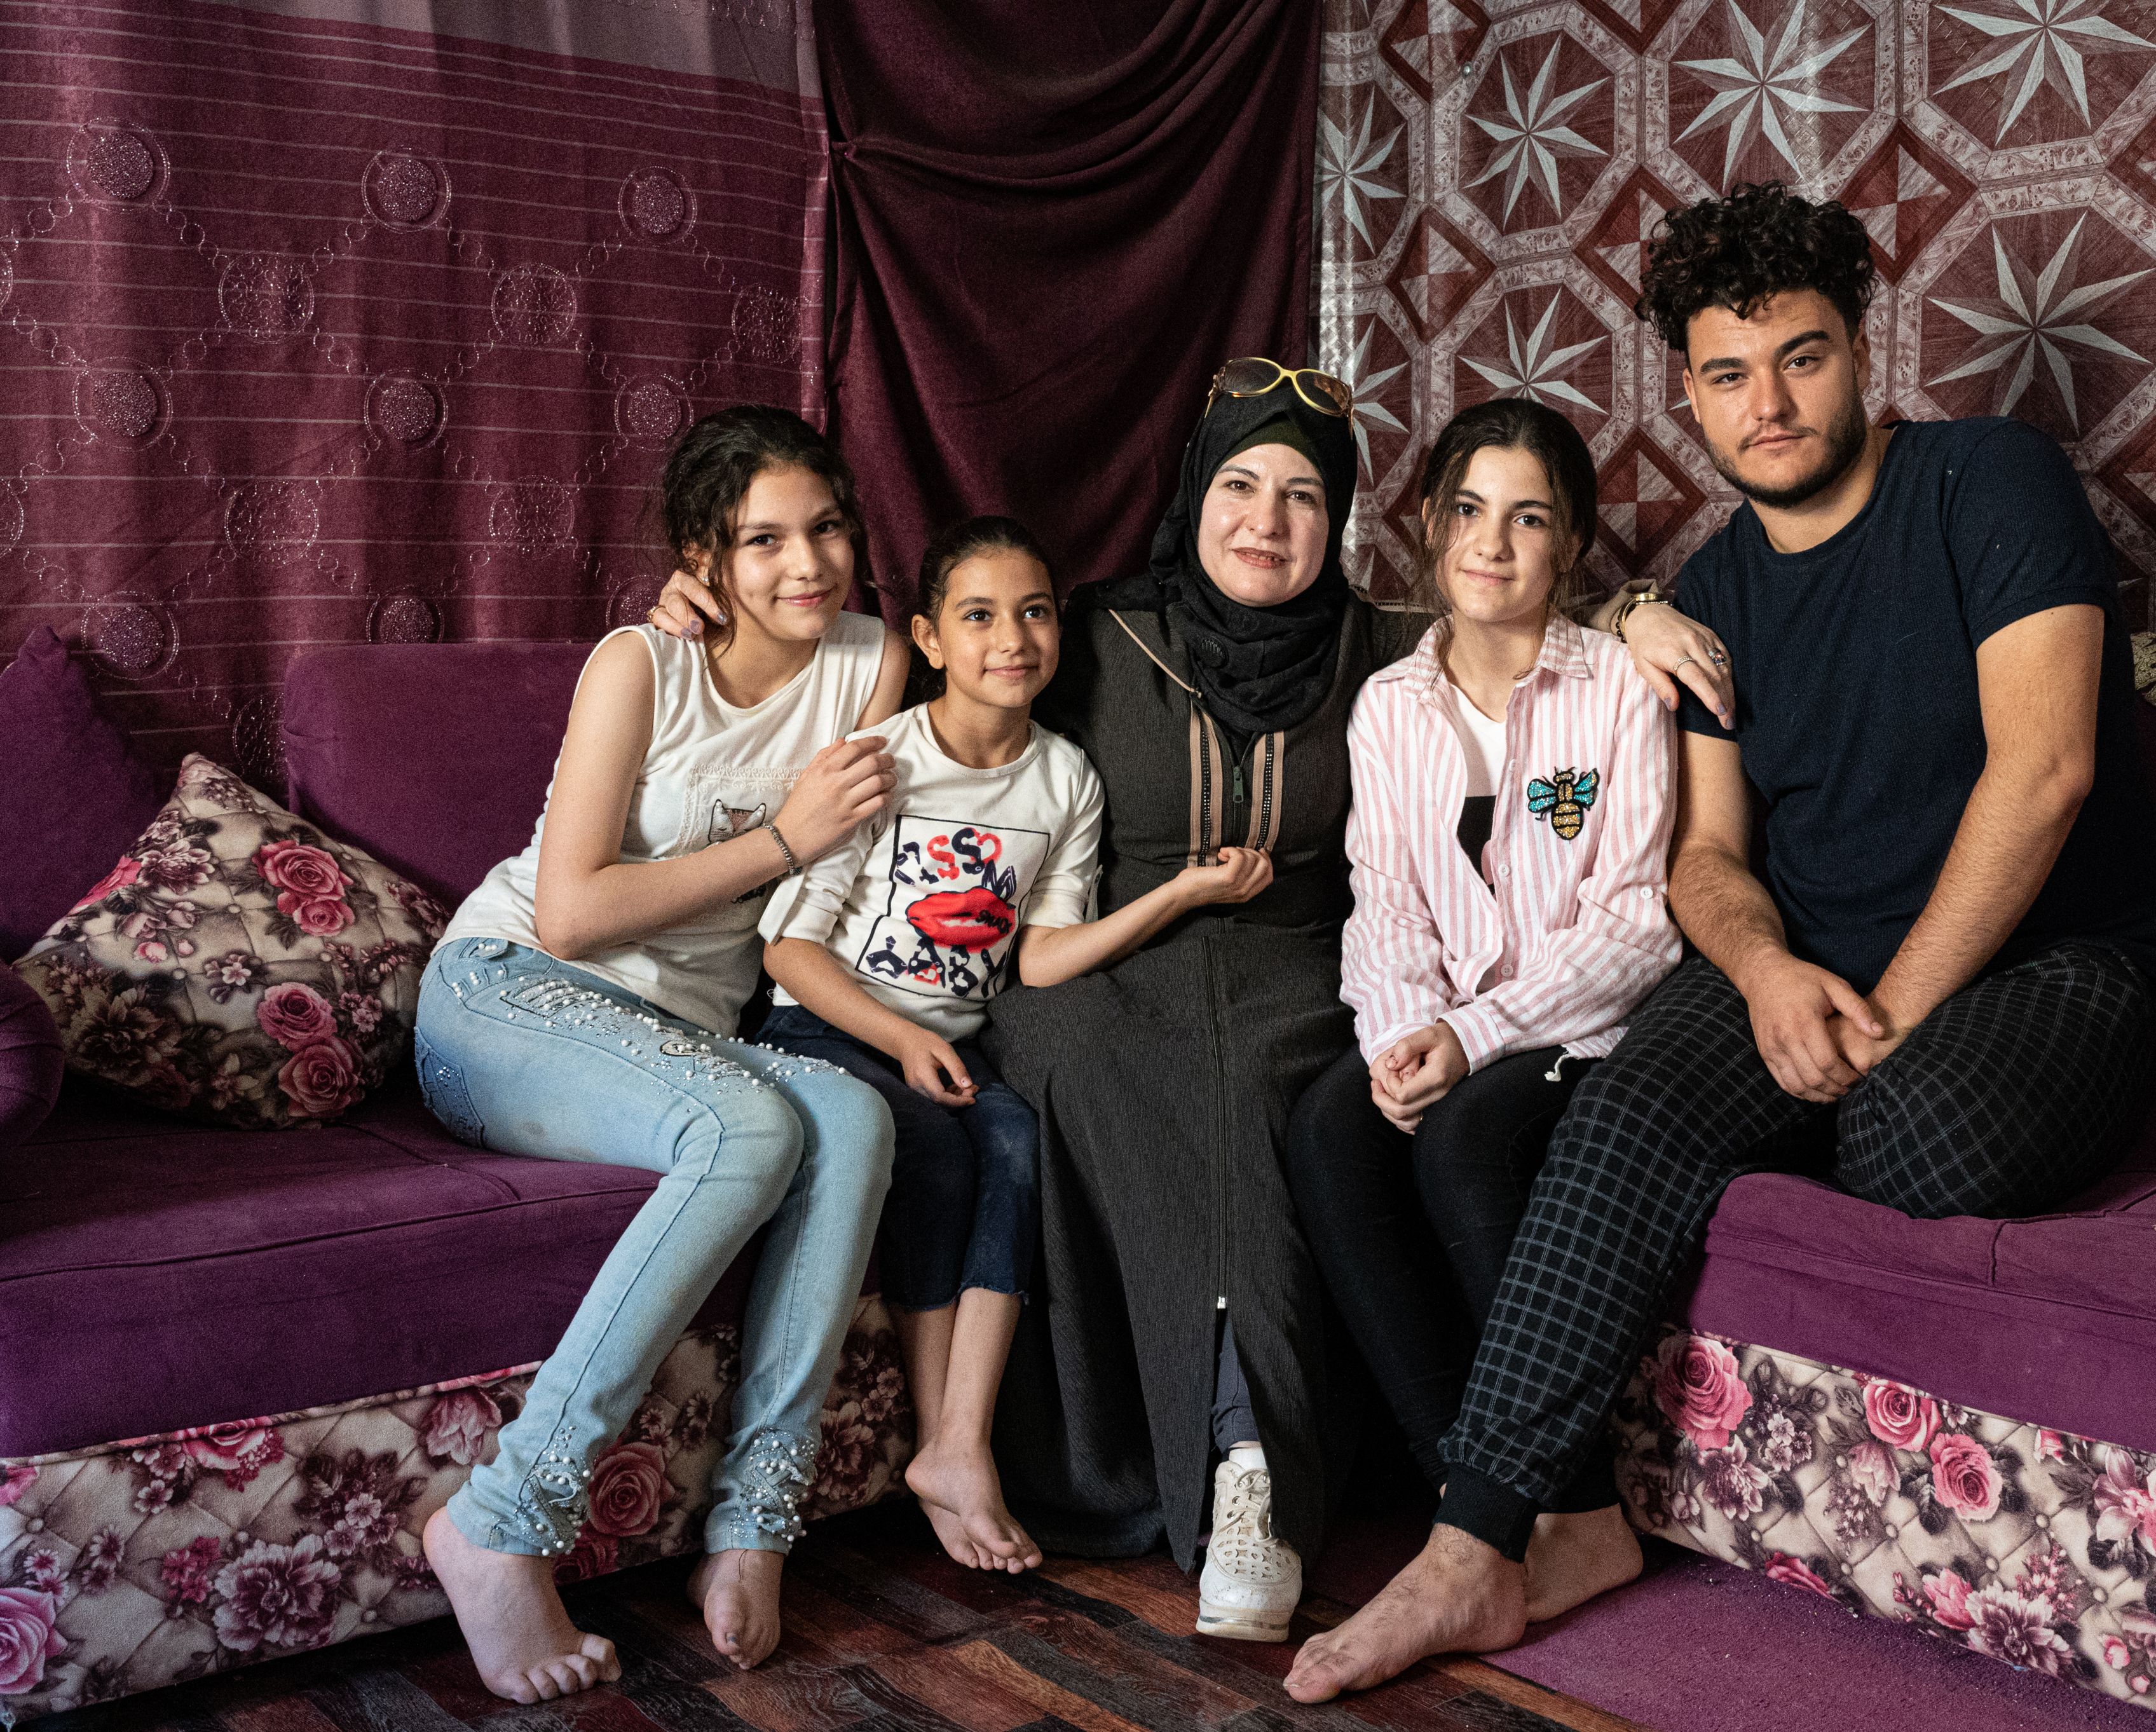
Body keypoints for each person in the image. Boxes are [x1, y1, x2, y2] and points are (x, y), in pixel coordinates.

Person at [649, 361, 1733, 1642]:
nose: (1264, 521)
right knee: (1096, 1057)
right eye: (1236, 484)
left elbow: (1506, 607)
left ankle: (1266, 1477)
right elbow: (924, 677)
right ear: (1191, 494)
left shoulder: (1384, 646)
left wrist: (1638, 612)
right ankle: (1226, 1456)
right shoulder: (1085, 630)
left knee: (1277, 1086)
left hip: (1305, 964)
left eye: (1298, 495)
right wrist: (714, 617)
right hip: (1100, 958)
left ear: (1338, 521)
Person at [1287, 183, 2156, 1700]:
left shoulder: (1991, 483)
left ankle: (1806, 1105)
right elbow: (1704, 858)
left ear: (1860, 348)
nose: (1766, 404)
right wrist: (1766, 975)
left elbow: (2045, 771)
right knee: (1623, 1111)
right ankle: (1482, 1543)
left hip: (2059, 954)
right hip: (1809, 961)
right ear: (1685, 389)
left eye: (1802, 357)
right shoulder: (1702, 595)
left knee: (1914, 1138)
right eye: (1725, 372)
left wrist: (1884, 1008)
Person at [416, 406, 911, 1701]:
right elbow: (574, 909)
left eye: (825, 528)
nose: (805, 564)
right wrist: (783, 840)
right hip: (506, 996)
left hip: (674, 1040)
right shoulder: (641, 661)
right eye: (761, 541)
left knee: (852, 1119)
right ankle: (499, 1520)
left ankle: (755, 1521)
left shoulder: (869, 662)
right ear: (707, 549)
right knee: (750, 1128)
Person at [749, 516, 1274, 1581]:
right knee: (940, 1149)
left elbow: (1037, 960)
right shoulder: (878, 762)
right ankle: (961, 1452)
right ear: (932, 640)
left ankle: (954, 1444)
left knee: (1017, 1141)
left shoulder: (1064, 780)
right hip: (833, 1023)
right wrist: (899, 1036)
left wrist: (1180, 891)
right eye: (979, 615)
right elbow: (790, 951)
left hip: (946, 1044)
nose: (1013, 638)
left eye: (1035, 612)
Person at [1285, 397, 1680, 1622]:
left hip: (1582, 1026)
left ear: (1571, 548)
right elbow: (1384, 904)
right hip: (1445, 1013)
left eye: (1529, 520)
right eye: (1468, 512)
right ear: (1429, 525)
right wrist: (1404, 1034)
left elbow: (1639, 922)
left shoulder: (1617, 685)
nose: (1492, 545)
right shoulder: (1392, 707)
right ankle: (1468, 1491)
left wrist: (1474, 1035)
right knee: (1331, 1125)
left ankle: (1574, 1508)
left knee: (1466, 1138)